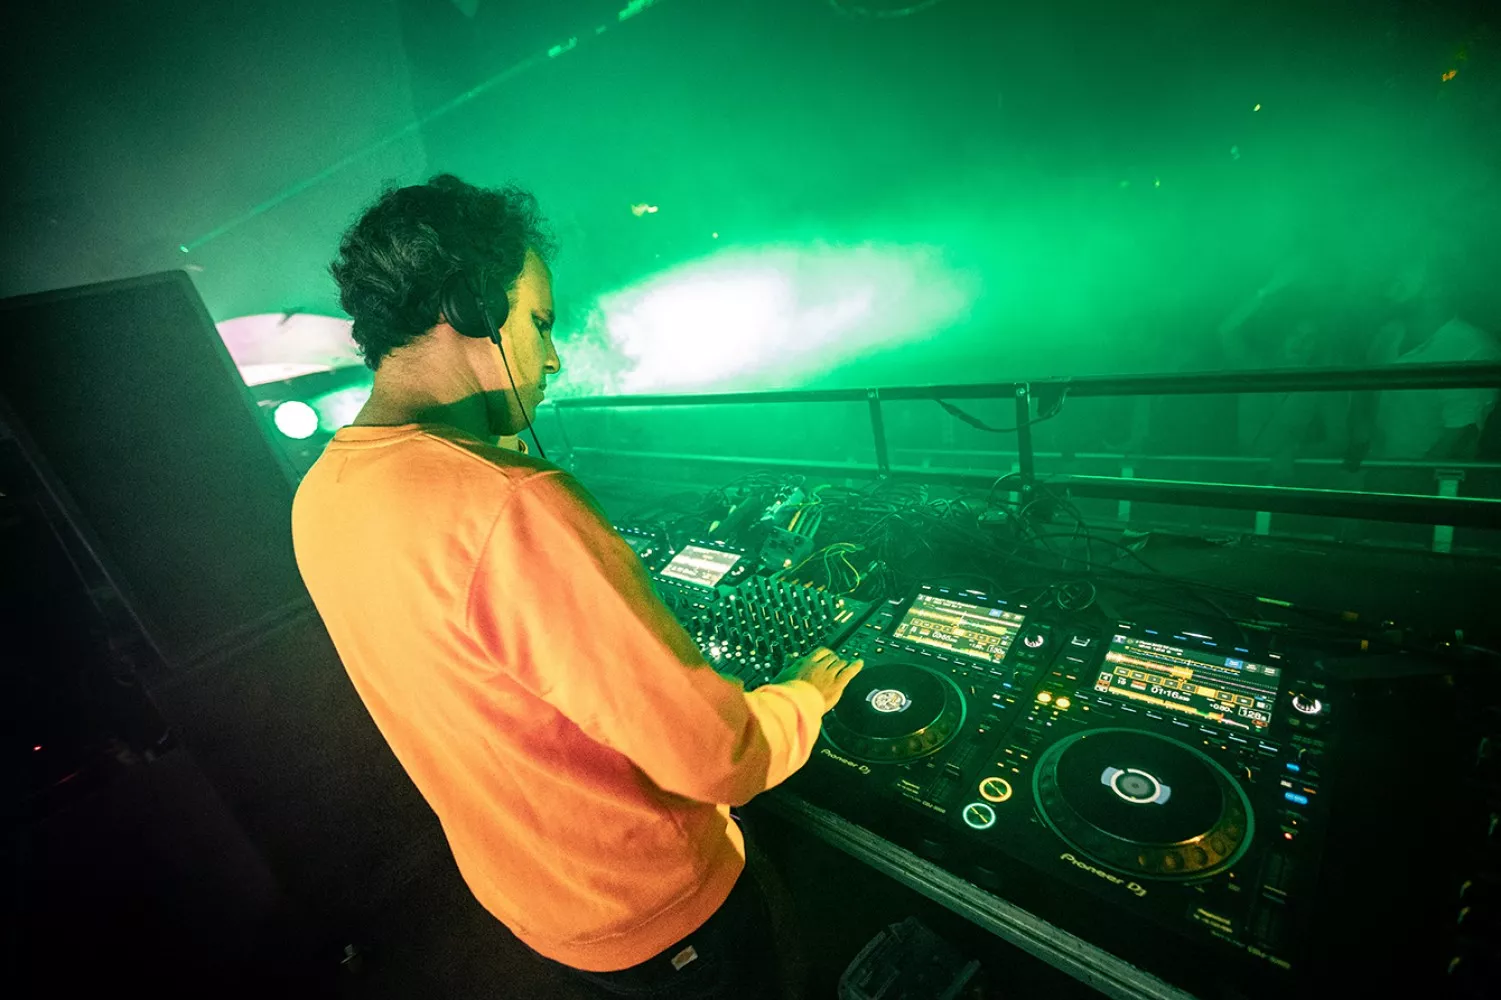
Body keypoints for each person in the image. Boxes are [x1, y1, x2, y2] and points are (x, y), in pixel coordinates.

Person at [290, 174, 864, 997]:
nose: (552, 358)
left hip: (534, 905)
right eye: (538, 323)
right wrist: (802, 695)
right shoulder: (509, 506)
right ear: (472, 307)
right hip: (666, 914)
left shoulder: (322, 493)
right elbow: (720, 759)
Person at [1368, 259, 1500, 461]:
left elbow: (1460, 437)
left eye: (1403, 275)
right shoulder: (1389, 334)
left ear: (1436, 288)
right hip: (1377, 465)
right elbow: (1366, 391)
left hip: (1419, 475)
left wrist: (1414, 475)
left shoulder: (1472, 347)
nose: (1391, 282)